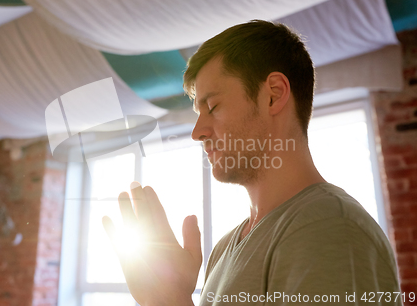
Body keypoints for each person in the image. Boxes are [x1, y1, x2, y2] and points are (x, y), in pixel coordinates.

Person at [102, 20, 402, 305]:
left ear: (273, 95)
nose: (197, 133)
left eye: (213, 106)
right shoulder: (224, 249)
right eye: (198, 114)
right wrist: (166, 298)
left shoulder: (331, 227)